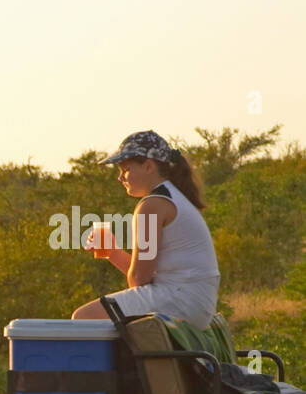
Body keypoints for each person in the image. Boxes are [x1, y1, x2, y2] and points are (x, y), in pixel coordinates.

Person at [72, 130, 220, 329]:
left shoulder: (151, 205)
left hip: (180, 300)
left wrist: (114, 253)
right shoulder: (173, 197)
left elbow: (139, 280)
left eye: (125, 169)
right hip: (192, 302)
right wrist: (112, 253)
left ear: (148, 166)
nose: (120, 177)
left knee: (84, 317)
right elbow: (145, 278)